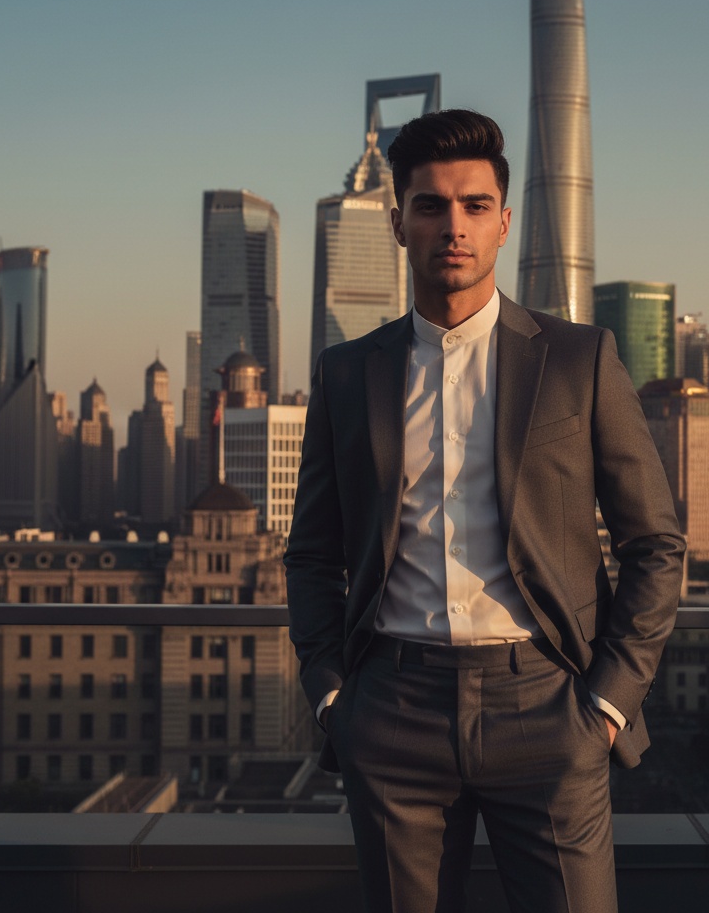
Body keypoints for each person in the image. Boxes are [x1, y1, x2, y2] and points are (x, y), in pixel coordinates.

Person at [285, 109, 684, 913]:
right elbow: (311, 552)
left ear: (505, 223)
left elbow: (656, 543)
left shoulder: (580, 359)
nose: (452, 227)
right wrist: (334, 698)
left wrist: (605, 705)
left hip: (546, 704)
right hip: (391, 709)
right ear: (399, 223)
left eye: (473, 207)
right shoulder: (346, 373)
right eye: (430, 206)